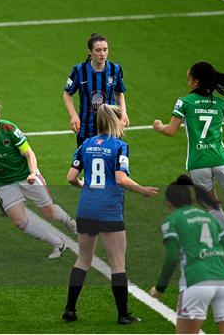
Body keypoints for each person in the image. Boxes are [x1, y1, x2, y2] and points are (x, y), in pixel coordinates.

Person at [153, 61, 224, 261]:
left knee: (212, 206)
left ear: (196, 82)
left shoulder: (185, 102)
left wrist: (158, 126)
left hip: (198, 163)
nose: (187, 79)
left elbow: (171, 131)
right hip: (221, 159)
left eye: (189, 76)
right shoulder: (222, 103)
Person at [62, 103, 158, 324]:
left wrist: (83, 186)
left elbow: (70, 177)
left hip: (85, 210)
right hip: (109, 212)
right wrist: (142, 190)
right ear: (115, 121)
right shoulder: (119, 146)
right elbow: (121, 179)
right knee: (117, 264)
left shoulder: (86, 144)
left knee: (83, 259)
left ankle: (69, 309)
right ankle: (123, 314)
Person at [0, 100, 77, 259]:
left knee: (49, 213)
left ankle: (68, 220)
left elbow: (29, 153)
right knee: (19, 221)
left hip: (27, 176)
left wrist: (32, 173)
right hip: (4, 183)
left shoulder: (9, 129)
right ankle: (58, 243)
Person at [149, 175, 224, 334]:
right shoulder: (209, 217)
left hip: (196, 281)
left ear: (168, 202)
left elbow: (172, 257)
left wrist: (160, 288)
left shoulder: (172, 220)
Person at [63, 33, 128, 147]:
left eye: (105, 49)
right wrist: (73, 115)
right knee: (84, 163)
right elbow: (67, 94)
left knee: (112, 162)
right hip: (86, 128)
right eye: (98, 50)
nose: (102, 54)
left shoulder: (115, 69)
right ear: (90, 51)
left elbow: (119, 93)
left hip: (111, 126)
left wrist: (123, 113)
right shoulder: (80, 70)